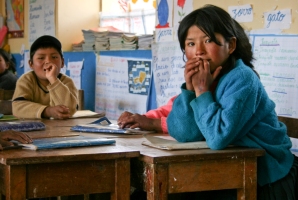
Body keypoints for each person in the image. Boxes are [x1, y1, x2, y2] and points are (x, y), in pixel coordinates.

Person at [165, 4, 298, 200]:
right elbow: (185, 134)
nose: (199, 51)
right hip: (227, 171)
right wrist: (190, 90)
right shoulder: (206, 78)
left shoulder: (243, 78)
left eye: (208, 40)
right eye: (190, 44)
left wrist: (201, 91)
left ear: (231, 45)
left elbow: (218, 137)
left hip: (267, 178)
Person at [12, 35, 78, 119]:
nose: (48, 61)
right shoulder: (26, 80)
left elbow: (69, 110)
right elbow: (18, 108)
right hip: (32, 130)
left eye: (54, 57)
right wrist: (48, 111)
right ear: (31, 64)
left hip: (60, 129)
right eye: (41, 58)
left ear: (62, 63)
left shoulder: (67, 82)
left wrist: (53, 79)